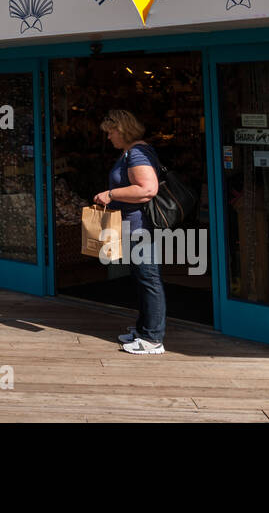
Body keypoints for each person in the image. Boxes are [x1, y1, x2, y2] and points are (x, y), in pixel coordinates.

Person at [93, 109, 165, 355]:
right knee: (142, 278)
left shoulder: (136, 153)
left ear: (122, 130)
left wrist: (110, 194)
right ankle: (144, 329)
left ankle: (153, 339)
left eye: (111, 131)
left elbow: (147, 189)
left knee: (149, 279)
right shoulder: (130, 152)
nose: (109, 137)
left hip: (140, 226)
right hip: (133, 225)